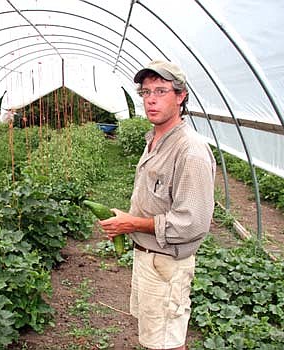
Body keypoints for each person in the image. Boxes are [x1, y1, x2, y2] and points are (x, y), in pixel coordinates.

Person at [99, 60, 216, 350]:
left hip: (167, 264)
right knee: (158, 336)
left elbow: (193, 222)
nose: (151, 99)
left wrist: (132, 223)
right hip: (147, 258)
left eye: (161, 91)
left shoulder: (190, 151)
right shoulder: (154, 139)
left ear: (181, 96)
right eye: (146, 92)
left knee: (167, 341)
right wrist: (129, 220)